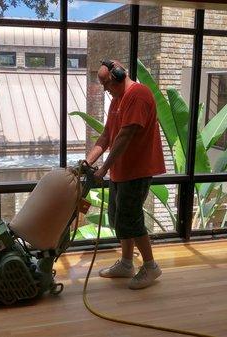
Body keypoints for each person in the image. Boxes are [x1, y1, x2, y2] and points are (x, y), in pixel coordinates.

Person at [86, 59, 166, 290]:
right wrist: (87, 161)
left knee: (130, 218)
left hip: (137, 169)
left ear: (119, 76)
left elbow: (125, 136)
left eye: (106, 83)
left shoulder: (138, 95)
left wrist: (103, 168)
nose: (104, 89)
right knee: (118, 217)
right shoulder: (116, 101)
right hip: (122, 170)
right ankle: (127, 263)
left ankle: (151, 266)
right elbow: (107, 136)